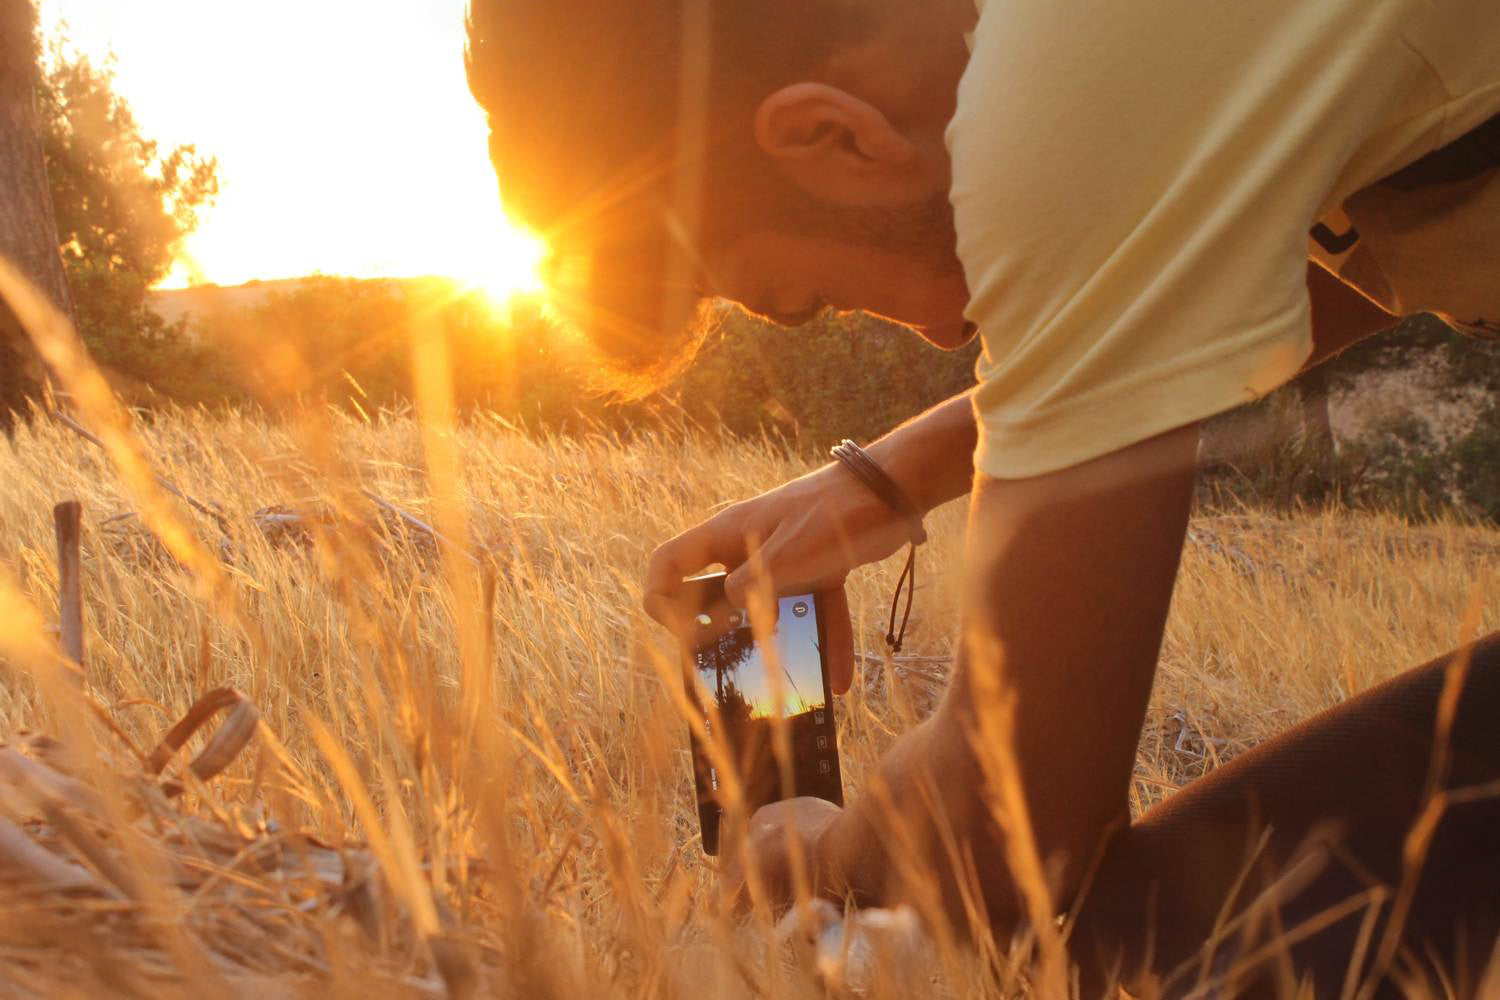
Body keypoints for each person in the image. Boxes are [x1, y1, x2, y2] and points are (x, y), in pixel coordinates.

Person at [465, 1, 1500, 995]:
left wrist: (810, 842)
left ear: (833, 134)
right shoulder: (1113, 45)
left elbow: (1011, 828)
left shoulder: (1053, 115)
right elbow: (1261, 266)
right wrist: (900, 470)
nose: (926, 333)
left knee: (1158, 956)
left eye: (806, 300)